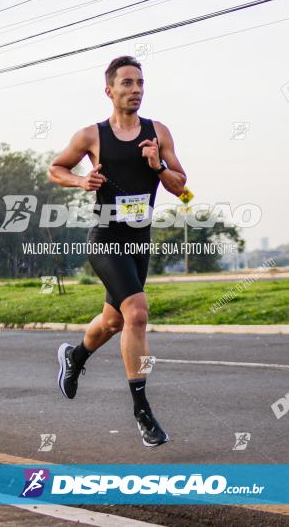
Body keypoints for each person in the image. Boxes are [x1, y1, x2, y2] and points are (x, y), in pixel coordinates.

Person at [48, 55, 187, 447]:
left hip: (139, 241)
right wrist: (79, 181)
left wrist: (157, 164)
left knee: (113, 322)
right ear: (109, 91)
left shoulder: (157, 132)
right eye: (127, 83)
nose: (136, 90)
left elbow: (182, 187)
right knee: (137, 313)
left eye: (140, 83)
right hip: (106, 237)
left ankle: (74, 357)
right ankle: (142, 410)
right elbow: (55, 168)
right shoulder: (91, 136)